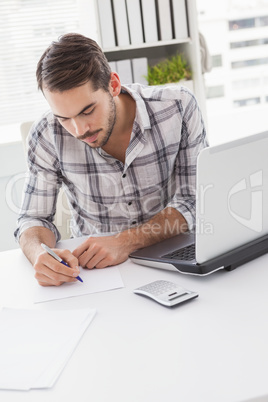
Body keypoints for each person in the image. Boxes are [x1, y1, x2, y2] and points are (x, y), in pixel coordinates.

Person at [15, 33, 208, 287]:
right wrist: (40, 254)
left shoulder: (179, 107)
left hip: (174, 259)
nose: (79, 129)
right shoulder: (46, 133)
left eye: (87, 110)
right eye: (64, 117)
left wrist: (125, 242)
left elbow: (196, 201)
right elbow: (33, 219)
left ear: (113, 85)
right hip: (93, 274)